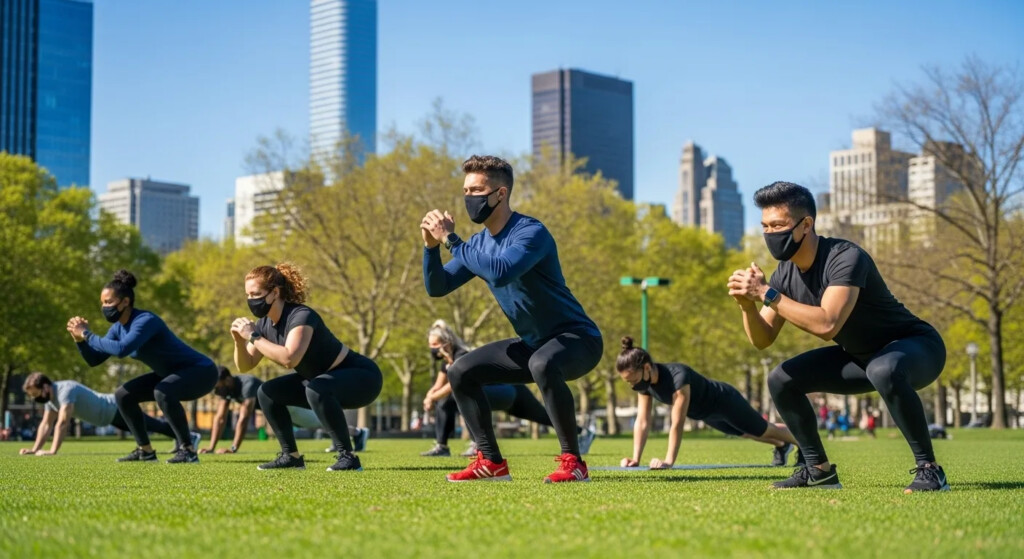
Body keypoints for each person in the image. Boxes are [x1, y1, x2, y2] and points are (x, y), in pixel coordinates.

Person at [728, 181, 949, 492]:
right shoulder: (785, 274)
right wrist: (747, 306)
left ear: (806, 225)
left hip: (916, 348)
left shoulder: (844, 256)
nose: (770, 234)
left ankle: (930, 469)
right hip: (861, 358)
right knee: (781, 379)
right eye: (765, 226)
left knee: (883, 368)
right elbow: (762, 339)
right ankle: (818, 469)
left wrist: (766, 292)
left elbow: (827, 324)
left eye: (777, 225)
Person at [421, 155, 603, 483]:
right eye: (465, 190)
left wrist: (450, 239)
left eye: (476, 190)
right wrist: (431, 248)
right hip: (534, 345)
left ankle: (574, 462)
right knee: (460, 371)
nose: (469, 199)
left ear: (500, 194)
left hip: (578, 339)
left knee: (543, 364)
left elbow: (501, 272)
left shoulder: (530, 232)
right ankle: (491, 463)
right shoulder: (477, 244)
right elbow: (438, 287)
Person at [232, 263, 382, 472]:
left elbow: (289, 359)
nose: (251, 300)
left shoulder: (301, 316)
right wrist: (240, 342)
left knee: (317, 387)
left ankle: (348, 458)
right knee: (267, 392)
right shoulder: (264, 325)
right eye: (247, 295)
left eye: (255, 294)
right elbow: (245, 365)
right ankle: (291, 457)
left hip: (363, 379)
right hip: (322, 382)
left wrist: (253, 336)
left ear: (275, 292)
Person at [69, 270, 217, 464]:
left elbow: (122, 349)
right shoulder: (117, 329)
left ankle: (188, 450)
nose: (104, 307)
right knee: (123, 395)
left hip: (201, 372)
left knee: (162, 391)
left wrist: (88, 334)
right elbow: (94, 359)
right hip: (169, 374)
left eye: (108, 302)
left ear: (125, 302)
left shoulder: (145, 321)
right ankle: (145, 451)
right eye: (102, 303)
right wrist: (79, 340)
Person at [615, 337, 802, 469]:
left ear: (646, 367)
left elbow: (677, 424)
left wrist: (668, 461)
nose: (633, 385)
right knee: (745, 433)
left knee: (762, 429)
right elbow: (642, 422)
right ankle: (782, 445)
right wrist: (635, 459)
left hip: (724, 401)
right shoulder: (644, 385)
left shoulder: (677, 378)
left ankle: (807, 446)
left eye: (633, 379)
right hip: (706, 414)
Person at [420, 320, 595, 458]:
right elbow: (438, 385)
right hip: (501, 395)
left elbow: (452, 385)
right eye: (430, 345)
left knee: (463, 396)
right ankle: (442, 446)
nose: (432, 349)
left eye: (435, 344)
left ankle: (478, 445)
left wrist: (433, 398)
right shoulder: (446, 362)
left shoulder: (462, 356)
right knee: (543, 416)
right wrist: (429, 397)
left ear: (446, 342)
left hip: (507, 392)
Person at [202, 366, 369, 454]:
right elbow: (220, 418)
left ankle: (357, 433)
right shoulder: (227, 390)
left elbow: (244, 418)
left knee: (321, 422)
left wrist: (233, 449)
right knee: (321, 424)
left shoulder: (248, 384)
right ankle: (355, 434)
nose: (217, 392)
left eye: (218, 387)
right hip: (278, 409)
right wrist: (210, 447)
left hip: (290, 407)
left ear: (228, 380)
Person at [19, 372, 195, 456]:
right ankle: (187, 437)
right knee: (150, 425)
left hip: (113, 408)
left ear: (46, 387)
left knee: (151, 425)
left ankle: (188, 438)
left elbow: (63, 422)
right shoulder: (51, 399)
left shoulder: (65, 390)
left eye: (35, 394)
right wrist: (34, 450)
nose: (35, 398)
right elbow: (46, 424)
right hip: (108, 417)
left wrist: (52, 451)